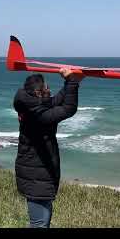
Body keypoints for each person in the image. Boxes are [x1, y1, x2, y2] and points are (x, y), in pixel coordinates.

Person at [13, 68, 84, 228]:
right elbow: (68, 109)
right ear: (38, 93)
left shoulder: (31, 105)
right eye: (46, 88)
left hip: (36, 173)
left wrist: (72, 82)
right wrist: (71, 82)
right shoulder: (39, 116)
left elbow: (54, 101)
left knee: (41, 222)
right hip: (36, 176)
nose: (49, 90)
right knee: (39, 224)